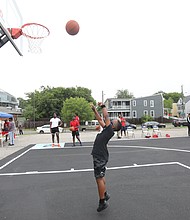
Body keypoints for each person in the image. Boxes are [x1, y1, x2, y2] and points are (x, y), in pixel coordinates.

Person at [91, 102, 121, 212]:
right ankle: (105, 194)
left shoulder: (109, 130)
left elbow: (105, 116)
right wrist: (95, 110)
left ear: (114, 126)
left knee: (99, 178)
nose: (112, 120)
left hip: (100, 156)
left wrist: (103, 106)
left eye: (114, 121)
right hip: (101, 155)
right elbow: (100, 120)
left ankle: (102, 201)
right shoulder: (107, 129)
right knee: (101, 176)